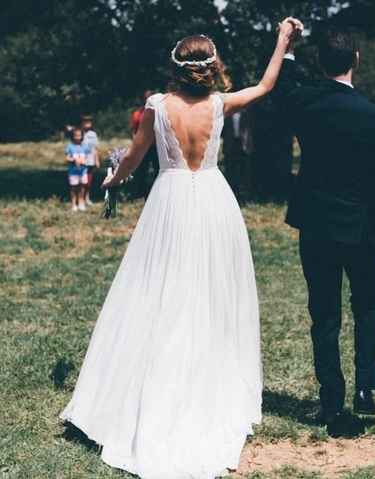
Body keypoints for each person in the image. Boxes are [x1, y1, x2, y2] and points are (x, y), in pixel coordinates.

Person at [60, 19, 302, 479]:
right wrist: (281, 42)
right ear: (211, 67)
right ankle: (205, 378)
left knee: (156, 292)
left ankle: (156, 380)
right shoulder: (220, 104)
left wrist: (112, 180)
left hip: (170, 202)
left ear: (175, 66)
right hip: (213, 200)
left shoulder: (156, 105)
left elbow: (132, 157)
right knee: (209, 294)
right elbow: (267, 85)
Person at [271, 25, 375, 428]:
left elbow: (283, 83)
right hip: (362, 229)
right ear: (356, 60)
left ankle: (331, 399)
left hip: (317, 225)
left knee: (324, 315)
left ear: (319, 62)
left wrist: (286, 48)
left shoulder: (305, 103)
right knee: (366, 307)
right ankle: (365, 389)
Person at [129, 90, 158, 199]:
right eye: (146, 98)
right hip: (142, 147)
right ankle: (141, 193)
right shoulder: (137, 114)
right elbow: (133, 131)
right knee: (141, 170)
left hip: (155, 146)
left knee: (158, 169)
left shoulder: (159, 113)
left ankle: (156, 193)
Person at [65, 127, 90, 212]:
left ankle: (81, 202)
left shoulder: (85, 147)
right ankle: (73, 203)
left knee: (82, 186)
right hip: (73, 172)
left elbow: (87, 157)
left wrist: (84, 161)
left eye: (79, 135)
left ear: (82, 136)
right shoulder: (70, 146)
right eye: (75, 135)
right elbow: (67, 158)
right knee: (73, 187)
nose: (77, 137)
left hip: (83, 171)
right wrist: (74, 160)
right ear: (72, 136)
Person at [80, 115, 100, 205]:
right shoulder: (79, 133)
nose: (87, 123)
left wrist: (97, 160)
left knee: (89, 180)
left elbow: (95, 148)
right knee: (82, 180)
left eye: (89, 122)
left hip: (91, 160)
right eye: (85, 121)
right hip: (82, 160)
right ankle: (80, 198)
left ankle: (87, 197)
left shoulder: (93, 134)